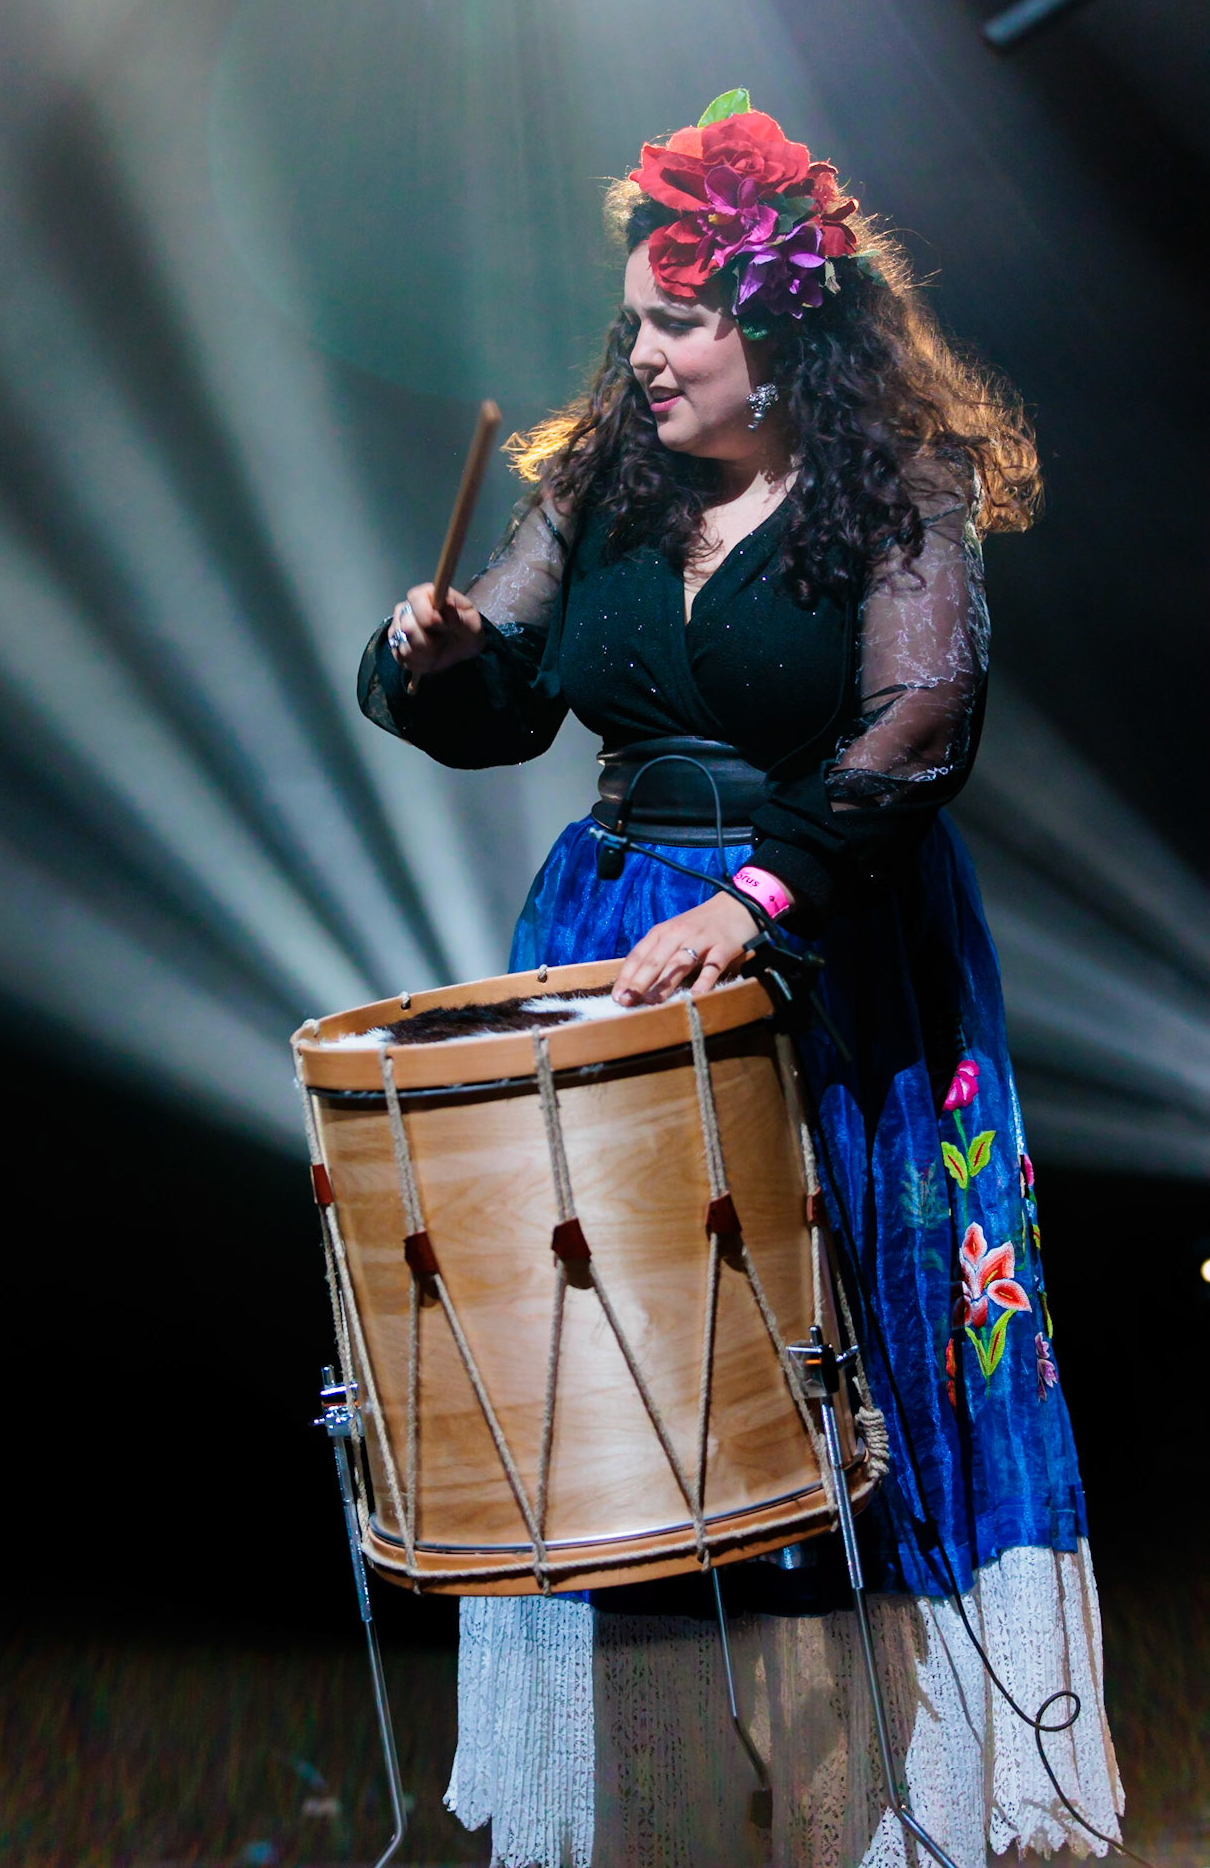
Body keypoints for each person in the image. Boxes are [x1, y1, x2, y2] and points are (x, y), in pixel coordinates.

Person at [357, 93, 1124, 1868]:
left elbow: (921, 724)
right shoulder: (595, 485)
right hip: (616, 933)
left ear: (778, 328)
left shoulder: (897, 489)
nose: (638, 353)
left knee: (832, 1337)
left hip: (832, 941)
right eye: (633, 319)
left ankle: (873, 1788)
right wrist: (437, 658)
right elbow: (504, 705)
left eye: (676, 322)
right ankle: (664, 1793)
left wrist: (763, 893)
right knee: (625, 1359)